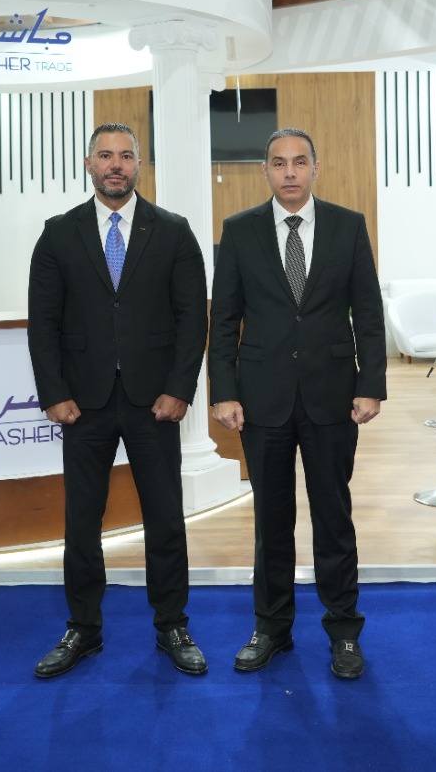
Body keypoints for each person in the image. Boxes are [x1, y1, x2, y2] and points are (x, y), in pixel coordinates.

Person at [26, 123, 209, 679]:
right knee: (82, 521)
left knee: (165, 518)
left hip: (155, 401)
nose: (116, 165)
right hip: (83, 404)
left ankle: (172, 624)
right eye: (105, 155)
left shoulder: (172, 231)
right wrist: (54, 393)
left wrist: (180, 389)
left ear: (138, 166)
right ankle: (83, 628)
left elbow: (192, 318)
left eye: (126, 156)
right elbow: (43, 322)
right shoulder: (58, 233)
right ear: (89, 164)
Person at [209, 127, 386, 680]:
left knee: (334, 518)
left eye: (299, 161)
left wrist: (371, 383)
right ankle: (272, 628)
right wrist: (223, 390)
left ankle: (344, 631)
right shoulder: (239, 231)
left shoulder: (348, 226)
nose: (289, 172)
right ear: (265, 170)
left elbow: (368, 312)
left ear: (316, 168)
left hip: (333, 396)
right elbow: (224, 319)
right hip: (261, 400)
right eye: (279, 163)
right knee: (272, 520)